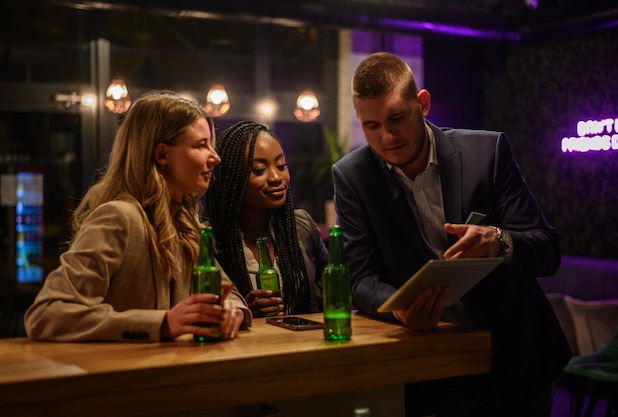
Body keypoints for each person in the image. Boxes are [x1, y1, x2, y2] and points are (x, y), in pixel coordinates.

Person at [332, 51, 572, 416]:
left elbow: (547, 248)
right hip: (434, 365)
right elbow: (361, 278)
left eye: (396, 118)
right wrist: (400, 308)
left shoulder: (486, 151)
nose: (387, 136)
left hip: (514, 357)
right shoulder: (353, 176)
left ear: (422, 103)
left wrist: (499, 240)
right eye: (372, 126)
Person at [24, 90, 251, 342]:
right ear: (162, 154)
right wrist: (162, 324)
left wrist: (233, 311)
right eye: (201, 145)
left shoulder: (186, 225)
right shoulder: (118, 217)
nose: (215, 157)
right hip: (122, 379)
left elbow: (228, 294)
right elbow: (46, 314)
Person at [206, 120, 328, 317]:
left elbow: (331, 285)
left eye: (281, 165)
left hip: (304, 345)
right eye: (260, 170)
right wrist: (244, 312)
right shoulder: (209, 240)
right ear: (232, 180)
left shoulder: (301, 226)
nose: (277, 177)